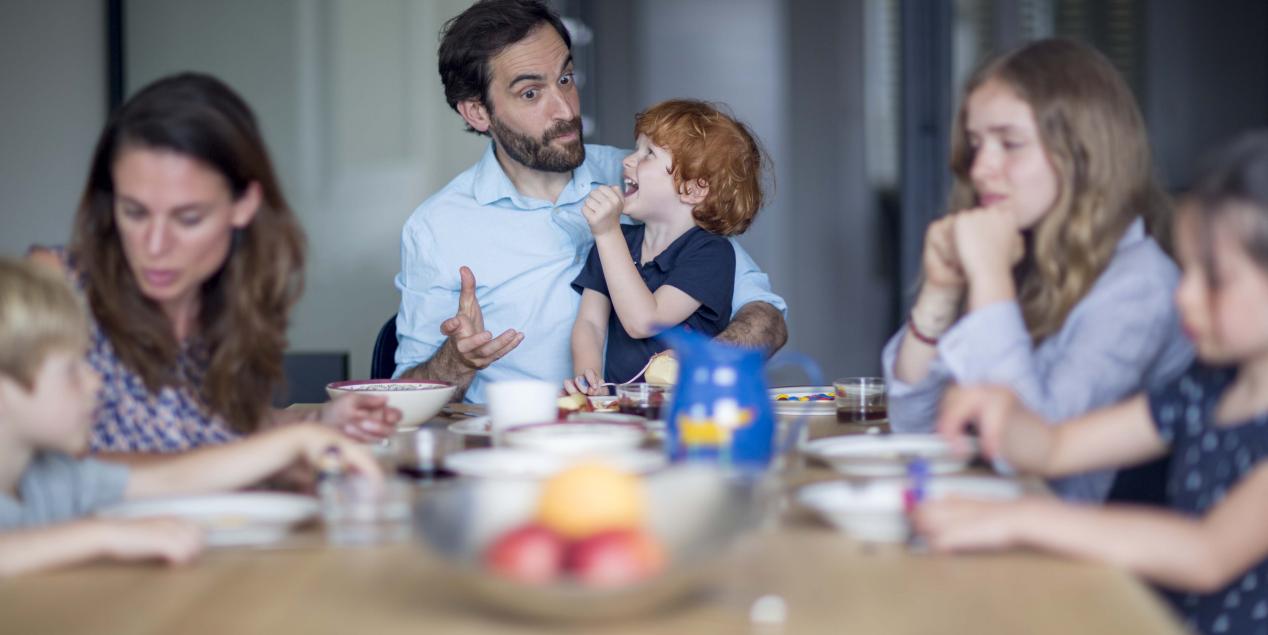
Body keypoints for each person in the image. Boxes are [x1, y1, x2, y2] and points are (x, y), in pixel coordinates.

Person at [918, 130, 1268, 635]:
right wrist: (1001, 413)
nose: (1184, 296)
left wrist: (1020, 518)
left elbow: (1206, 553)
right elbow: (1056, 447)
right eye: (1187, 271)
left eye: (1213, 279)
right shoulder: (1202, 392)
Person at [393, 0, 788, 403]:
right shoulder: (436, 228)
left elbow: (766, 319)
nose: (565, 110)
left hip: (651, 430)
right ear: (478, 112)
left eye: (566, 78)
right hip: (519, 444)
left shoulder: (647, 182)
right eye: (531, 93)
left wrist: (698, 365)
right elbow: (406, 394)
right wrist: (456, 359)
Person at [881, 39, 1192, 502]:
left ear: (1083, 153)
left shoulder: (1140, 286)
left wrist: (989, 278)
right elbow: (915, 427)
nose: (981, 169)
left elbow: (1029, 455)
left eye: (1009, 144)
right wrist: (940, 294)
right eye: (975, 144)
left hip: (1095, 562)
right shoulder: (1026, 253)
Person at [29, 73, 398, 455]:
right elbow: (48, 475)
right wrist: (279, 448)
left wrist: (317, 422)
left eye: (188, 219)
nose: (154, 246)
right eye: (134, 213)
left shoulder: (229, 295)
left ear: (244, 205)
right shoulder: (57, 287)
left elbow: (222, 431)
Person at [0, 258, 381, 576]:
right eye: (71, 369)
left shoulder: (52, 477)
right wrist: (103, 534)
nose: (94, 381)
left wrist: (298, 439)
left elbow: (172, 478)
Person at [565, 99, 765, 393]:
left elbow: (645, 321)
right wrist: (588, 378)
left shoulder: (711, 253)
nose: (628, 160)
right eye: (636, 149)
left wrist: (607, 234)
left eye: (649, 154)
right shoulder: (615, 242)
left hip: (690, 409)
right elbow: (591, 324)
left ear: (693, 188)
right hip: (625, 409)